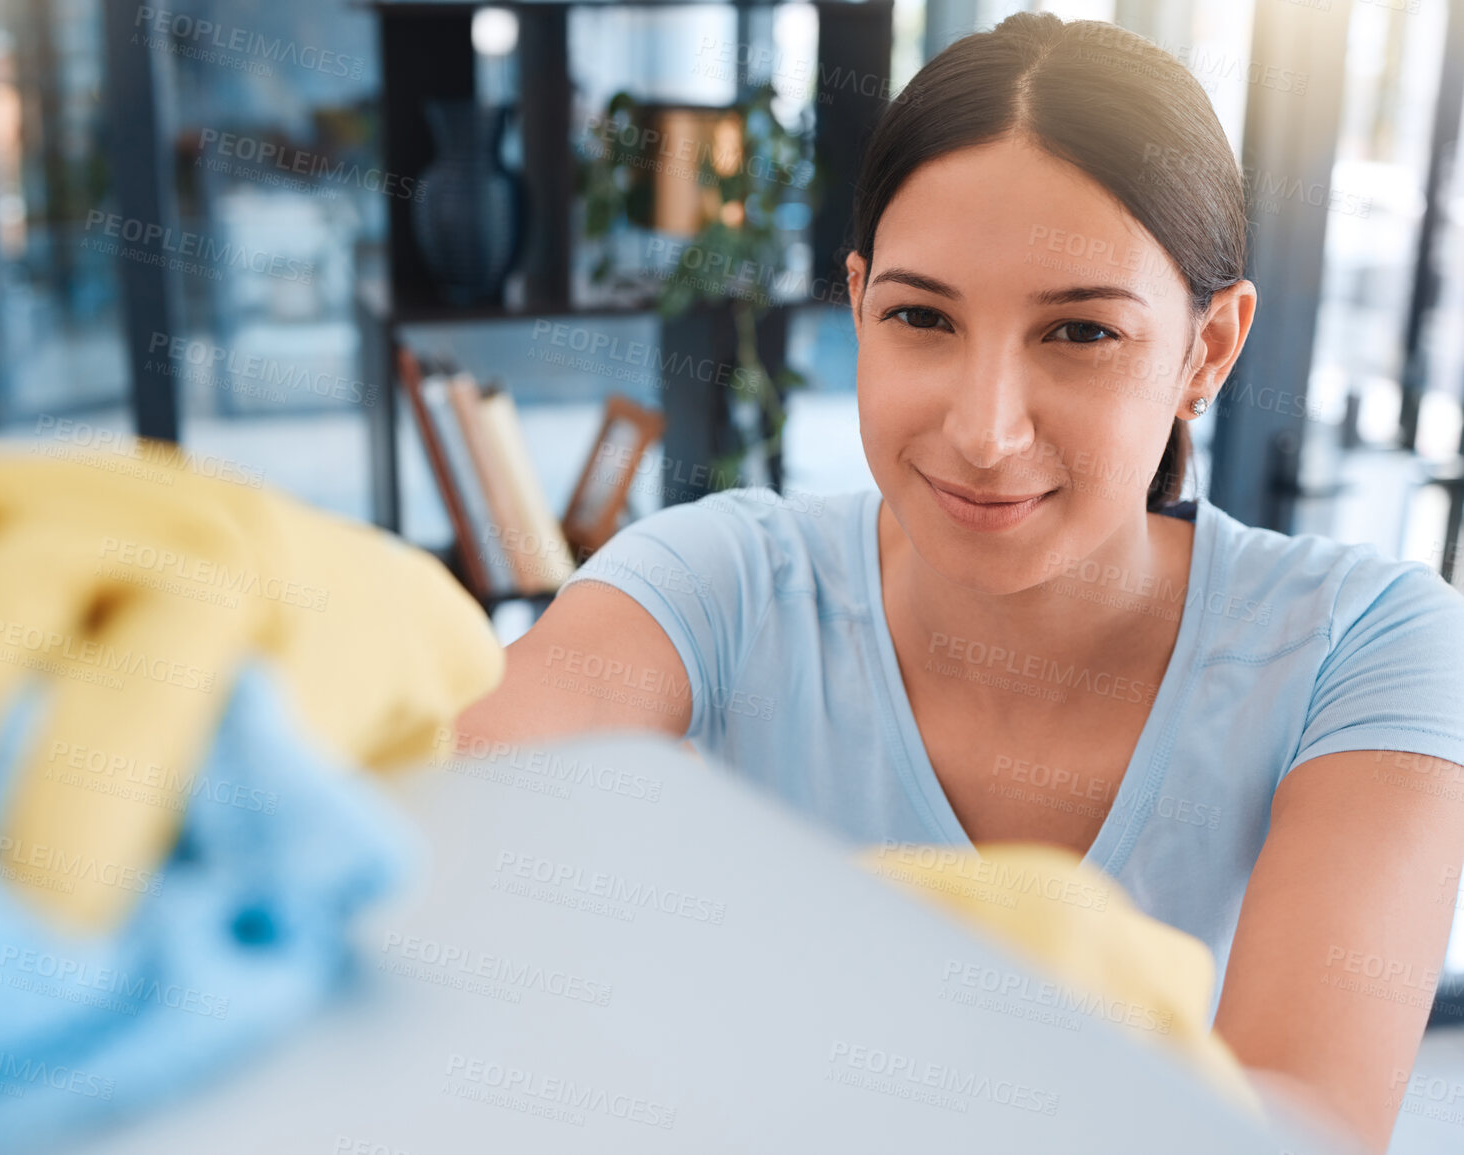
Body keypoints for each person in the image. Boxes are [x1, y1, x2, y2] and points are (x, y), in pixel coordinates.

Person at [454, 12, 1464, 1152]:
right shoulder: (720, 576)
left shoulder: (1368, 644)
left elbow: (1299, 1132)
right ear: (857, 304)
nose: (985, 433)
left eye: (1080, 333)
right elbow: (435, 823)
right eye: (921, 317)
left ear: (1208, 350)